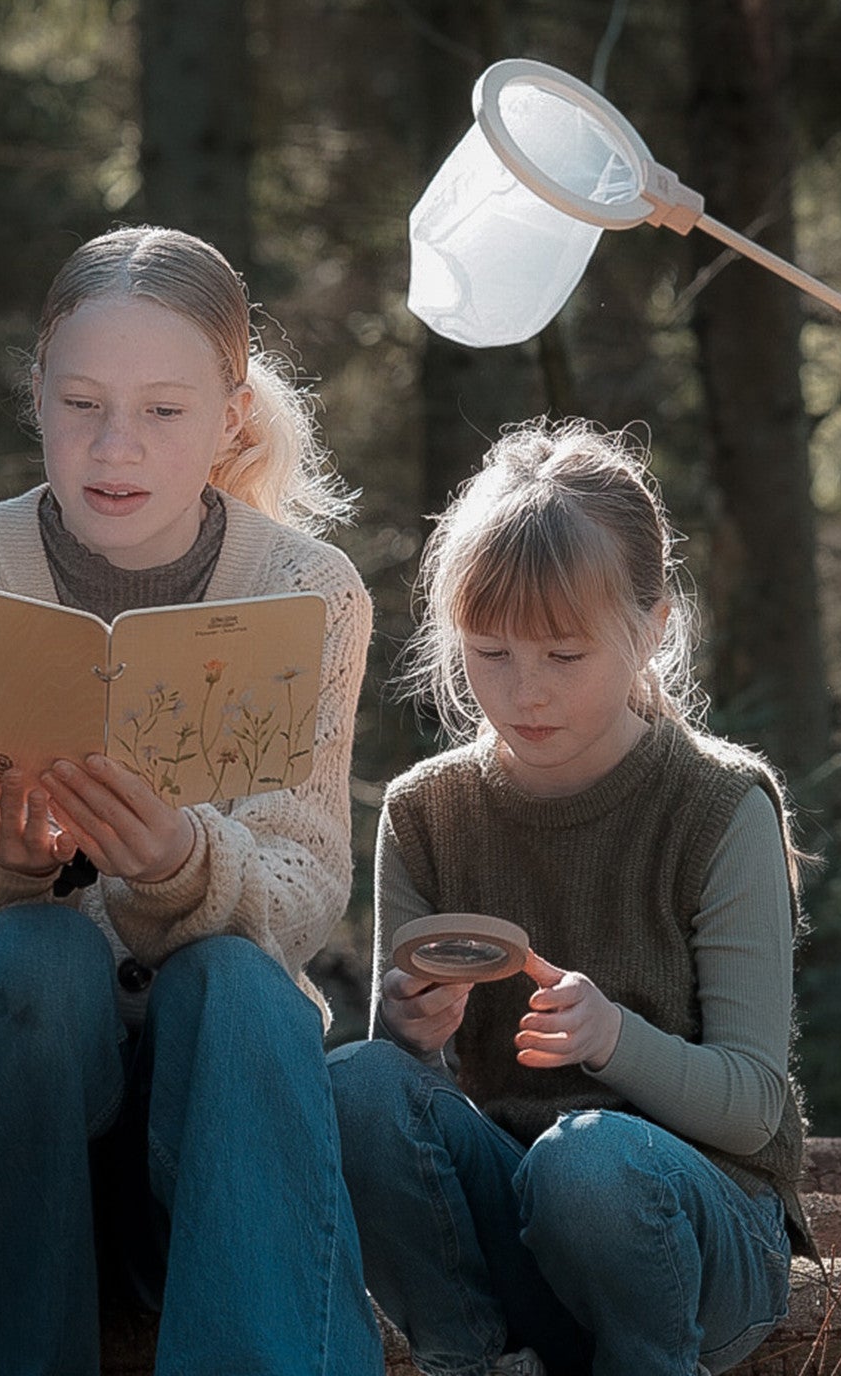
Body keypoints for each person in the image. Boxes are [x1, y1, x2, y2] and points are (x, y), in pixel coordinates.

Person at [0, 225, 382, 1373]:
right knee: (39, 960)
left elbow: (303, 895)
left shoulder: (309, 591)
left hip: (216, 1160)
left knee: (244, 987)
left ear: (229, 417)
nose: (116, 445)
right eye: (83, 402)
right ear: (37, 392)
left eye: (163, 410)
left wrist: (179, 867)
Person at [327, 420, 816, 1376]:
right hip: (514, 1229)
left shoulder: (717, 808)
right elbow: (410, 1117)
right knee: (356, 1086)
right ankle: (464, 1355)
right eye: (491, 653)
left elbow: (757, 1109)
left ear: (651, 629)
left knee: (589, 1164)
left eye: (564, 655)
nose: (523, 694)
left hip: (700, 1229)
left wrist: (612, 1041)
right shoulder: (428, 812)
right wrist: (412, 1033)